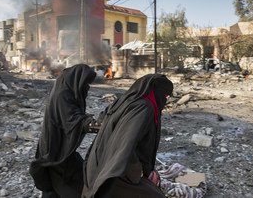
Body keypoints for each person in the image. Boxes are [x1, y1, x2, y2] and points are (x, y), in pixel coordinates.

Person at [82, 74, 174, 198]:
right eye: (165, 96)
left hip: (104, 163)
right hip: (117, 171)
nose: (165, 100)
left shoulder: (128, 101)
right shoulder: (143, 108)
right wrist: (141, 173)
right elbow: (125, 144)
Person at [29, 64, 97, 198]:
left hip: (60, 148)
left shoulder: (67, 91)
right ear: (77, 79)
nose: (87, 87)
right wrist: (94, 124)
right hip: (56, 150)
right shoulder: (63, 95)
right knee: (71, 185)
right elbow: (72, 120)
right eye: (86, 83)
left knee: (54, 187)